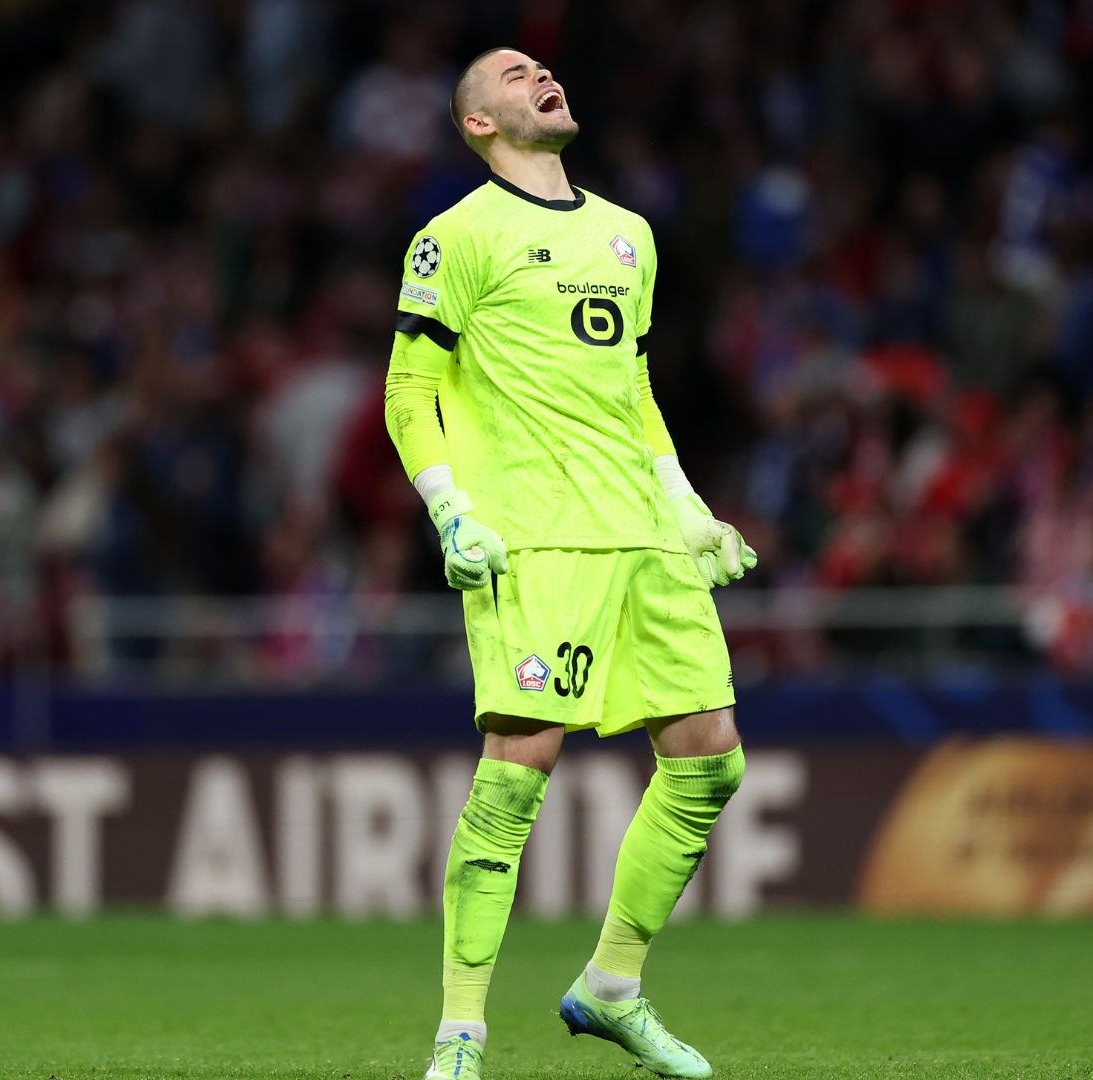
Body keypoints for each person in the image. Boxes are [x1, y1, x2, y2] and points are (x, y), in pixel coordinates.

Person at [384, 46, 758, 1080]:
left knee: (709, 758)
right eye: (511, 75)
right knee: (519, 773)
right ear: (477, 124)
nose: (540, 75)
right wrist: (450, 511)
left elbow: (630, 391)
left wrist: (683, 506)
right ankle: (458, 1033)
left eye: (542, 67)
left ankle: (610, 988)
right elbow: (408, 393)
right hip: (535, 535)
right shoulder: (452, 238)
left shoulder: (627, 234)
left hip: (640, 536)